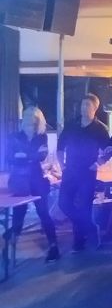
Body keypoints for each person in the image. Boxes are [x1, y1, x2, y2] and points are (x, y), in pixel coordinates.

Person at [5, 106, 59, 263]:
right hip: (20, 181)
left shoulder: (42, 137)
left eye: (33, 117)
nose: (29, 119)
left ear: (38, 120)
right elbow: (9, 158)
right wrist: (29, 156)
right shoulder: (14, 136)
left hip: (37, 180)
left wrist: (23, 156)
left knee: (44, 213)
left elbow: (41, 156)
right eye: (27, 116)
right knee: (18, 216)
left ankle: (54, 247)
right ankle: (7, 251)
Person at [57, 93, 110, 252]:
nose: (84, 108)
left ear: (95, 108)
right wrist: (62, 166)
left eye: (88, 105)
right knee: (63, 203)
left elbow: (108, 151)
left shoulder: (100, 128)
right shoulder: (72, 125)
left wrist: (98, 163)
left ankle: (78, 242)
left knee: (84, 206)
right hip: (70, 171)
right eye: (82, 104)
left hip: (87, 172)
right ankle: (89, 227)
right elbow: (60, 147)